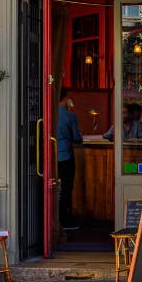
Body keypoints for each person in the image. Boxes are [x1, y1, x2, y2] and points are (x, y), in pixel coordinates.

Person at [57, 88, 82, 229]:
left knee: (53, 188)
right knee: (66, 187)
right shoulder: (70, 116)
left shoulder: (49, 113)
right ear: (65, 98)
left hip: (51, 157)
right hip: (66, 156)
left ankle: (53, 220)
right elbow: (77, 138)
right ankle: (64, 220)